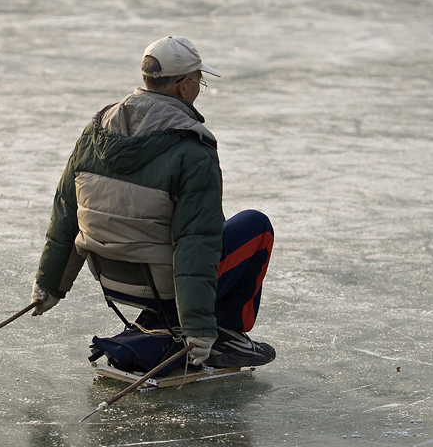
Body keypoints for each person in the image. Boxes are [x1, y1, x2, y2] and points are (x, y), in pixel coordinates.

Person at [30, 36, 275, 369]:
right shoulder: (192, 149)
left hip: (110, 275)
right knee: (255, 226)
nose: (198, 87)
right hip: (162, 285)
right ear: (183, 84)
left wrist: (50, 284)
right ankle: (227, 334)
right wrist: (198, 329)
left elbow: (66, 213)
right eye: (199, 81)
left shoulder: (95, 131)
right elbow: (195, 243)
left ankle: (161, 325)